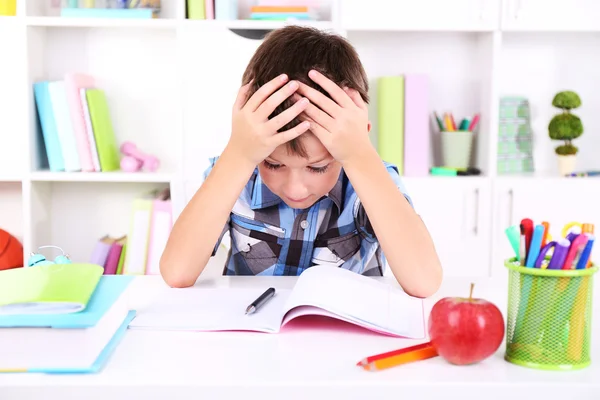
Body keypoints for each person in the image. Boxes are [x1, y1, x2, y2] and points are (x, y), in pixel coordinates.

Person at [160, 25, 442, 298]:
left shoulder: (367, 175)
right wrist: (240, 153)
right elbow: (176, 272)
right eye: (272, 163)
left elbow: (424, 282)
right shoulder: (237, 170)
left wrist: (359, 155)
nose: (296, 189)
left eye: (318, 167)